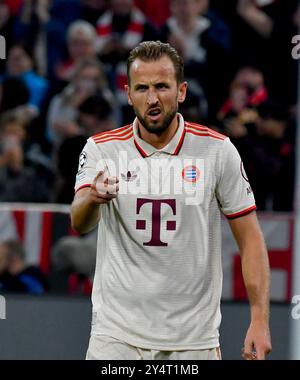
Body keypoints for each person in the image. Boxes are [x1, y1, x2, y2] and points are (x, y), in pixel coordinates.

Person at [71, 41, 272, 360]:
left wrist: (260, 320)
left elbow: (250, 238)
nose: (152, 99)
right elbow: (79, 221)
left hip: (192, 341)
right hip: (117, 337)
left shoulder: (217, 151)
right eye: (142, 88)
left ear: (181, 91)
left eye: (162, 87)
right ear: (128, 94)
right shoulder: (101, 149)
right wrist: (93, 198)